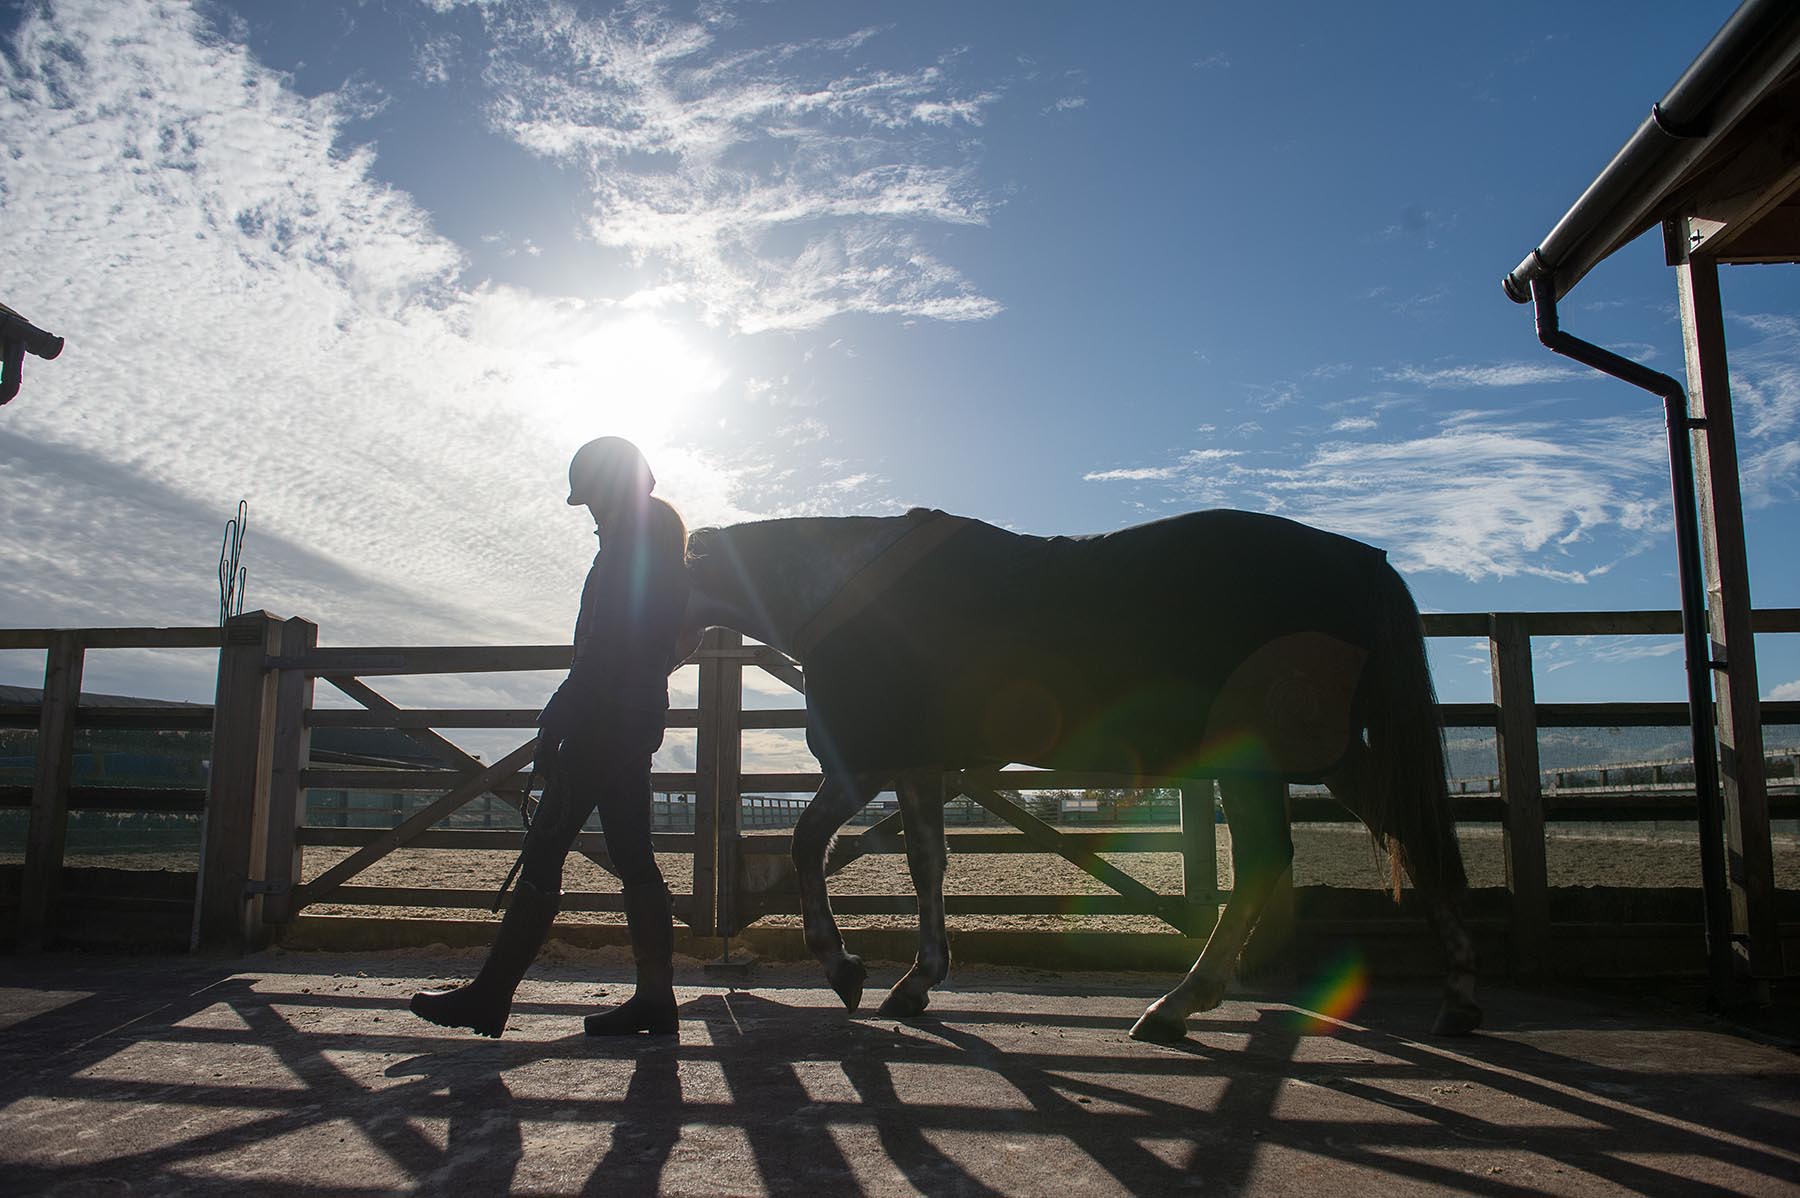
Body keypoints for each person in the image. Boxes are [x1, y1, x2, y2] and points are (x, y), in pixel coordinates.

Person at [411, 436, 693, 1037]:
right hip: (633, 717)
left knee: (544, 851)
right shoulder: (656, 544)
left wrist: (562, 713)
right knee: (634, 857)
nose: (590, 515)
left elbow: (607, 644)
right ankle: (655, 997)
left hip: (602, 719)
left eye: (592, 500)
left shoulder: (629, 549)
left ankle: (491, 996)